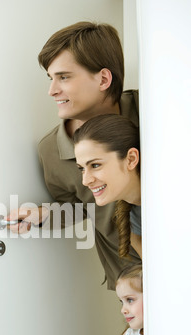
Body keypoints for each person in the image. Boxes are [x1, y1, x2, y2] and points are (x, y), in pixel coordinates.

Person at [7, 21, 140, 290]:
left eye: (64, 77)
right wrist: (44, 215)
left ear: (103, 79)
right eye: (51, 78)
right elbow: (83, 209)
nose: (52, 90)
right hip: (134, 283)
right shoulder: (52, 151)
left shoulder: (150, 109)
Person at [73, 114, 141, 258]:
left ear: (131, 159)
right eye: (82, 169)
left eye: (95, 165)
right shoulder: (133, 220)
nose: (86, 181)